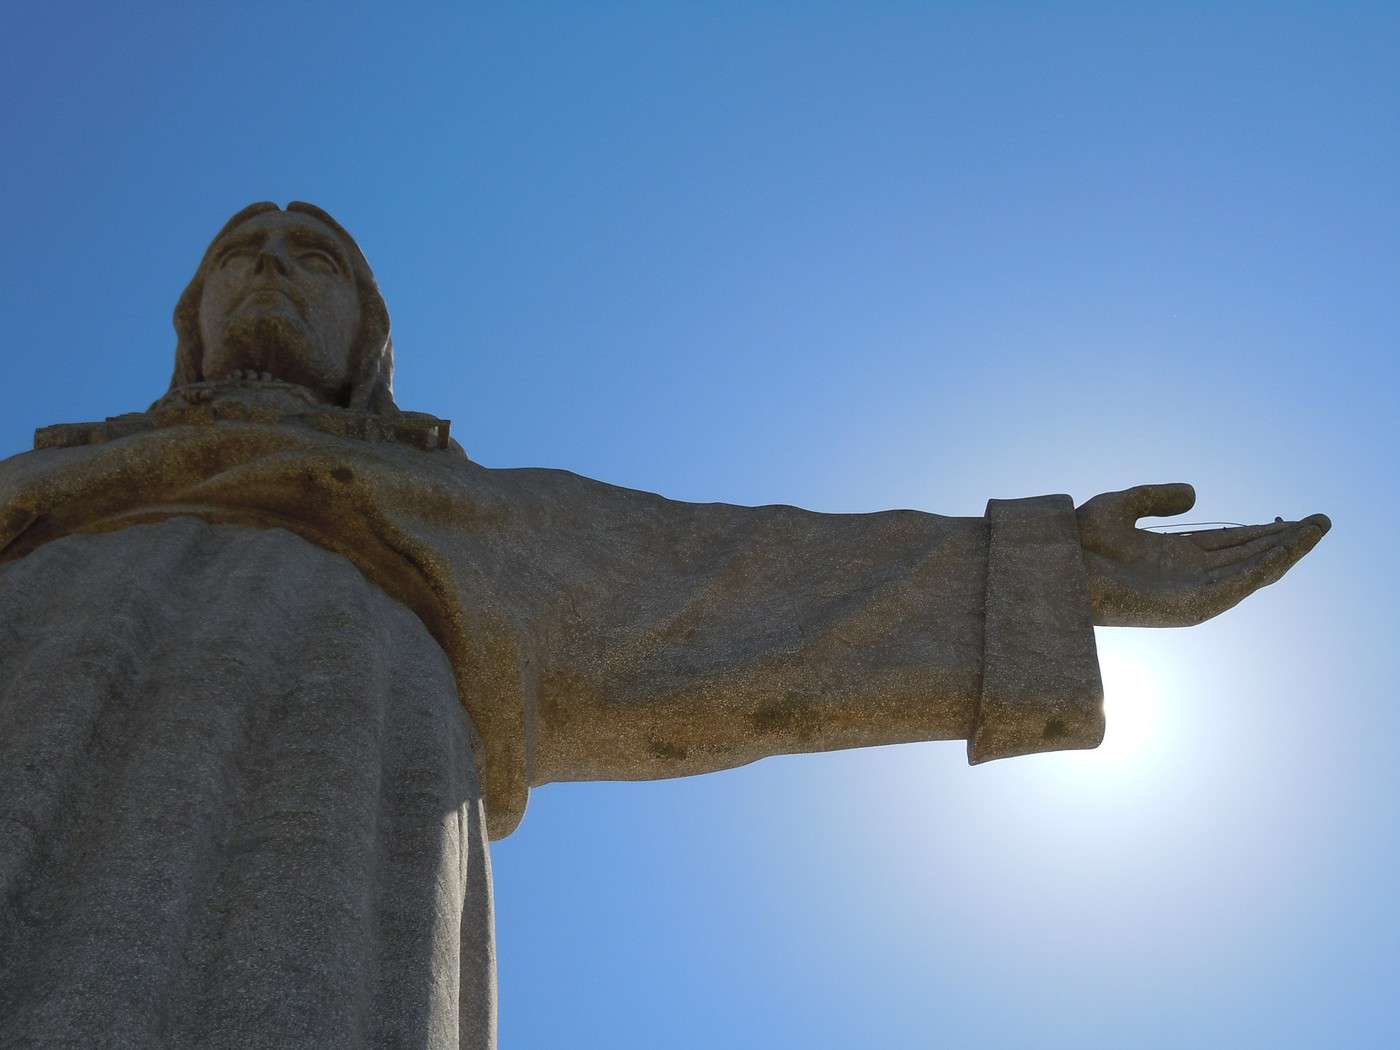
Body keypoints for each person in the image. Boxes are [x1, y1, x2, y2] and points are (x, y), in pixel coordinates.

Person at [0, 202, 1329, 1049]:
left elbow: (738, 580)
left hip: (348, 755)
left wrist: (1041, 568)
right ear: (192, 323)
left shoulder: (457, 516)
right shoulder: (34, 496)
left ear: (369, 345)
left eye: (309, 259)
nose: (267, 273)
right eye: (240, 256)